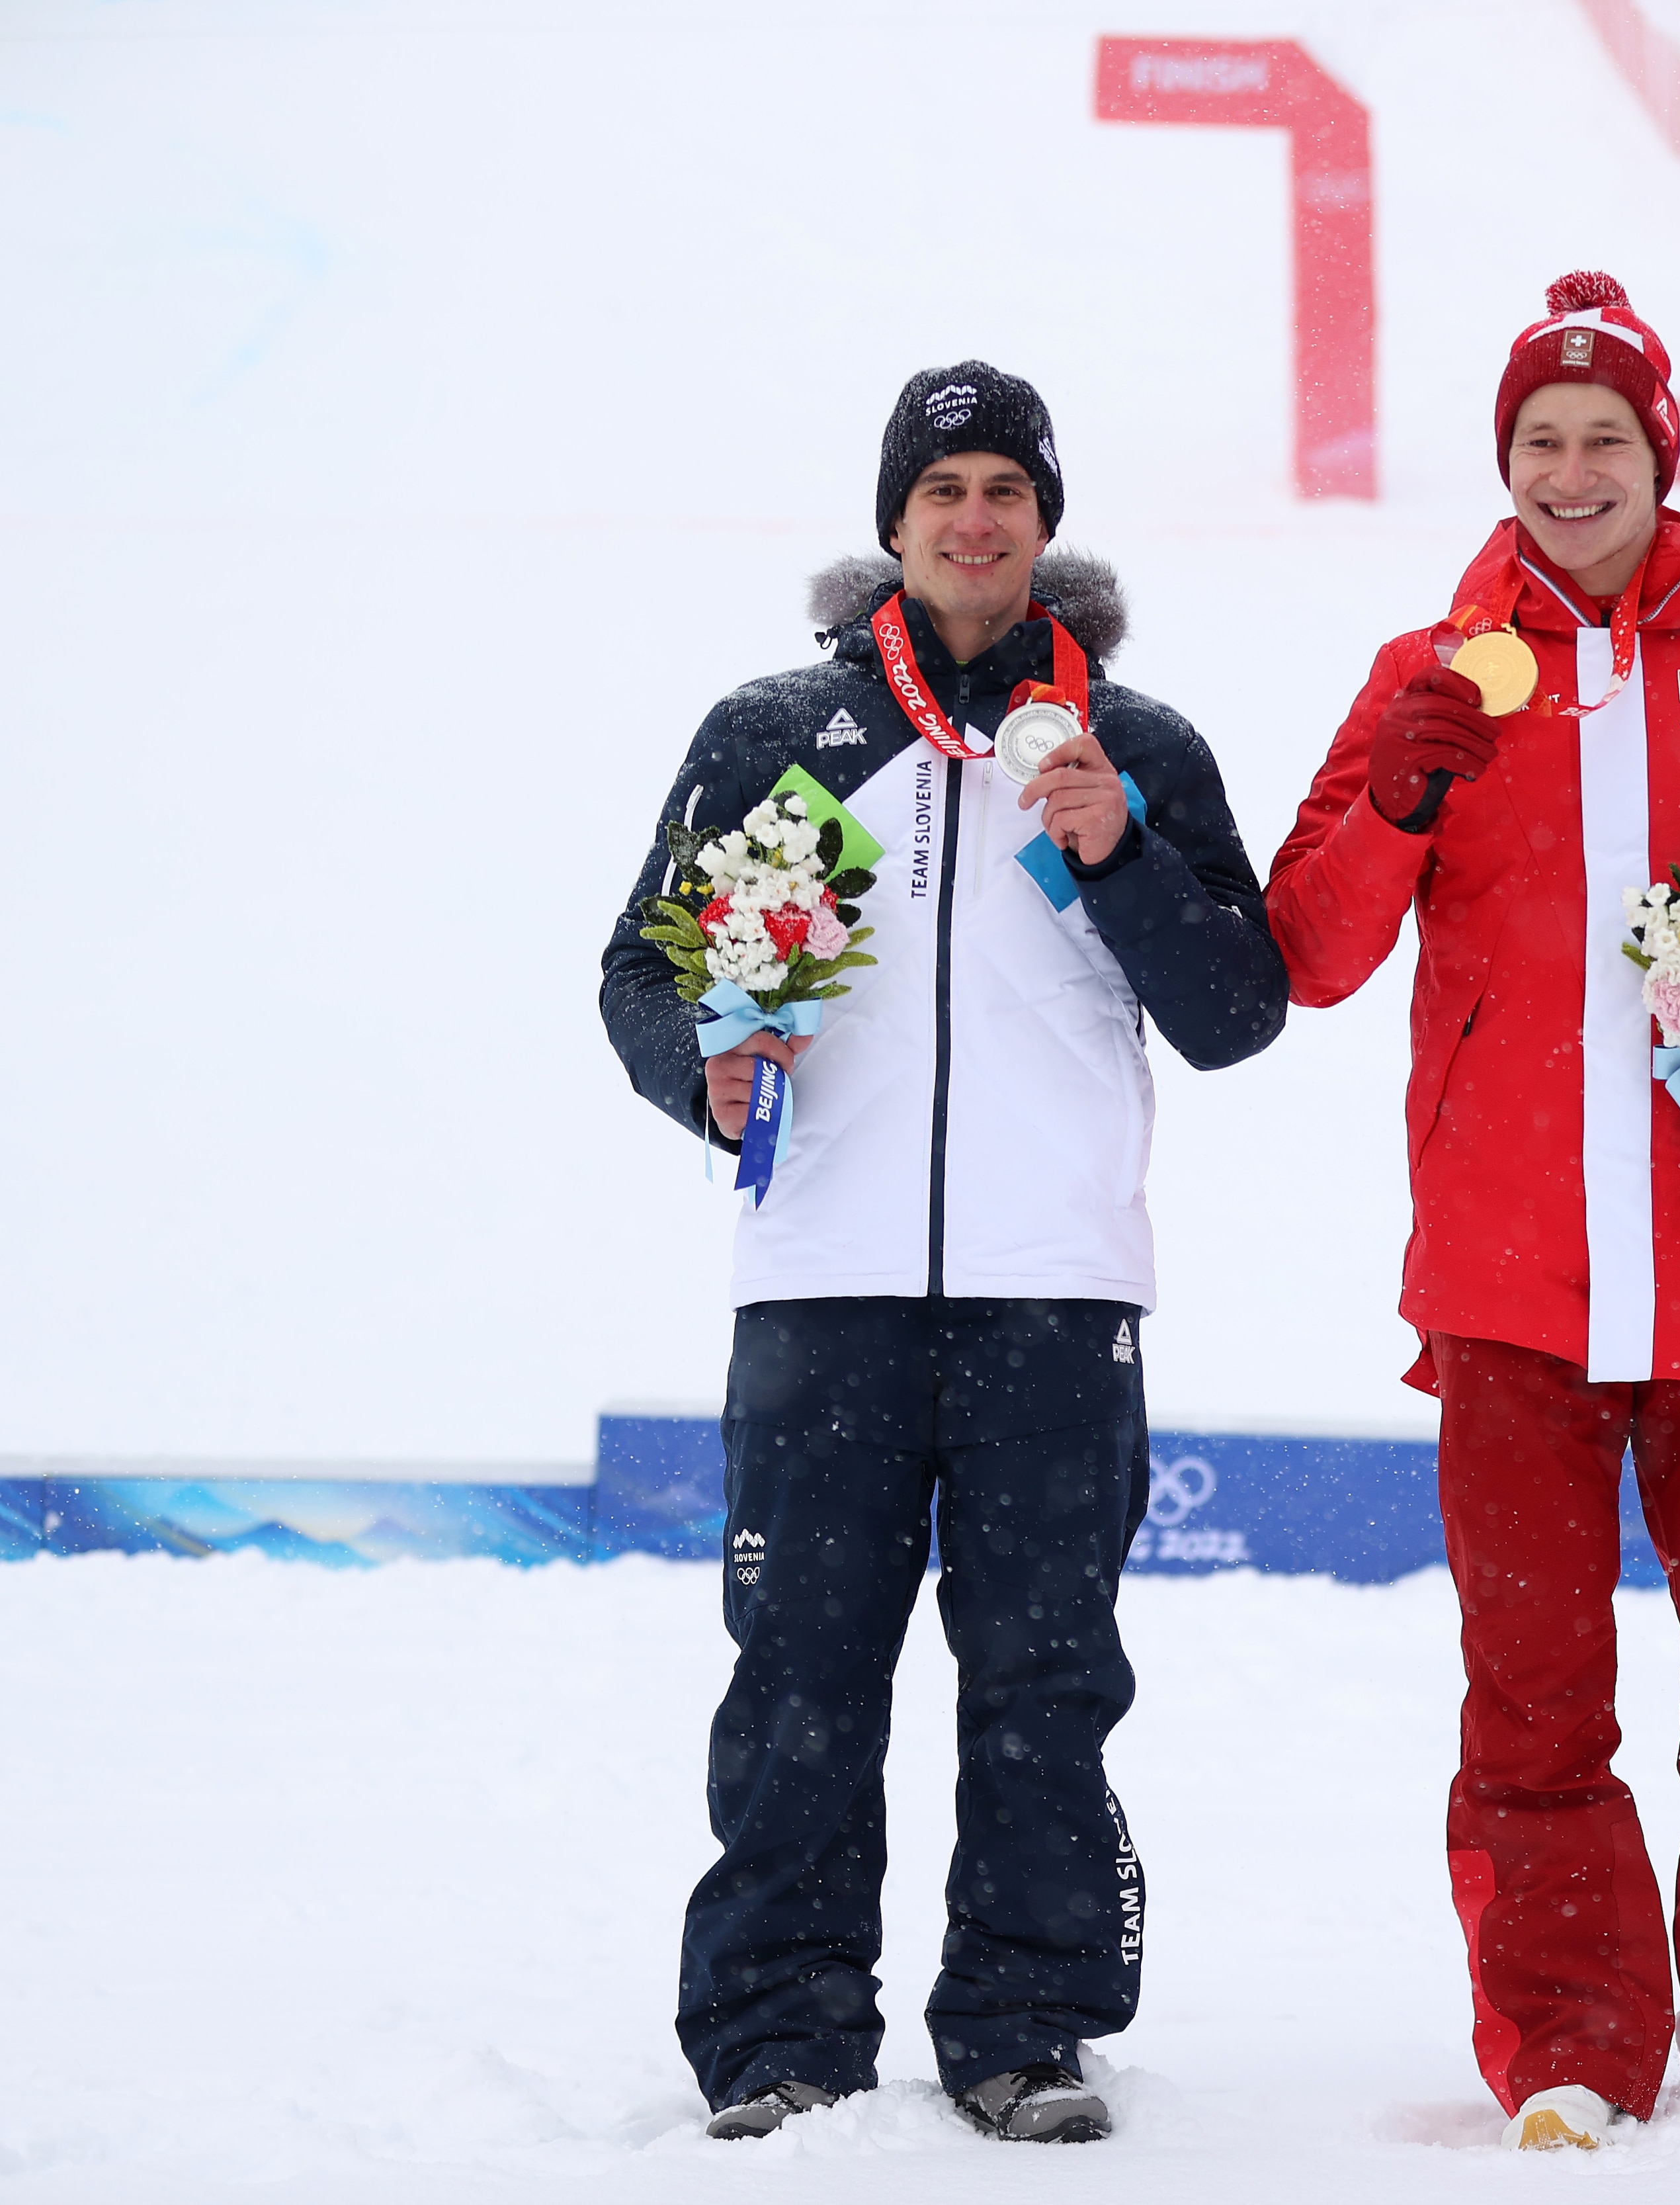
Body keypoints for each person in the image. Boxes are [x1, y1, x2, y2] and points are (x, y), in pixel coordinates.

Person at [1263, 273, 1680, 2152]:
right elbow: (1310, 953)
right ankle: (1572, 2038)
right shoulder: (1434, 669)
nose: (1574, 473)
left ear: (1665, 456)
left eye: (1607, 441)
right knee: (1538, 1697)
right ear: (1505, 465)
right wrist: (1401, 788)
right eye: (1541, 444)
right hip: (1508, 1280)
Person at [599, 363, 1289, 2145]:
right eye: (943, 490)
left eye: (1006, 489)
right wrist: (706, 1063)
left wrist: (1123, 855)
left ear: (1045, 523)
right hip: (821, 1283)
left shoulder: (1132, 746)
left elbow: (1234, 1012)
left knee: (1047, 1672)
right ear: (893, 520)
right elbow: (641, 974)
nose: (974, 520)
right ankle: (776, 2034)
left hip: (1056, 1289)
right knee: (803, 1670)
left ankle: (1029, 2025)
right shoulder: (783, 737)